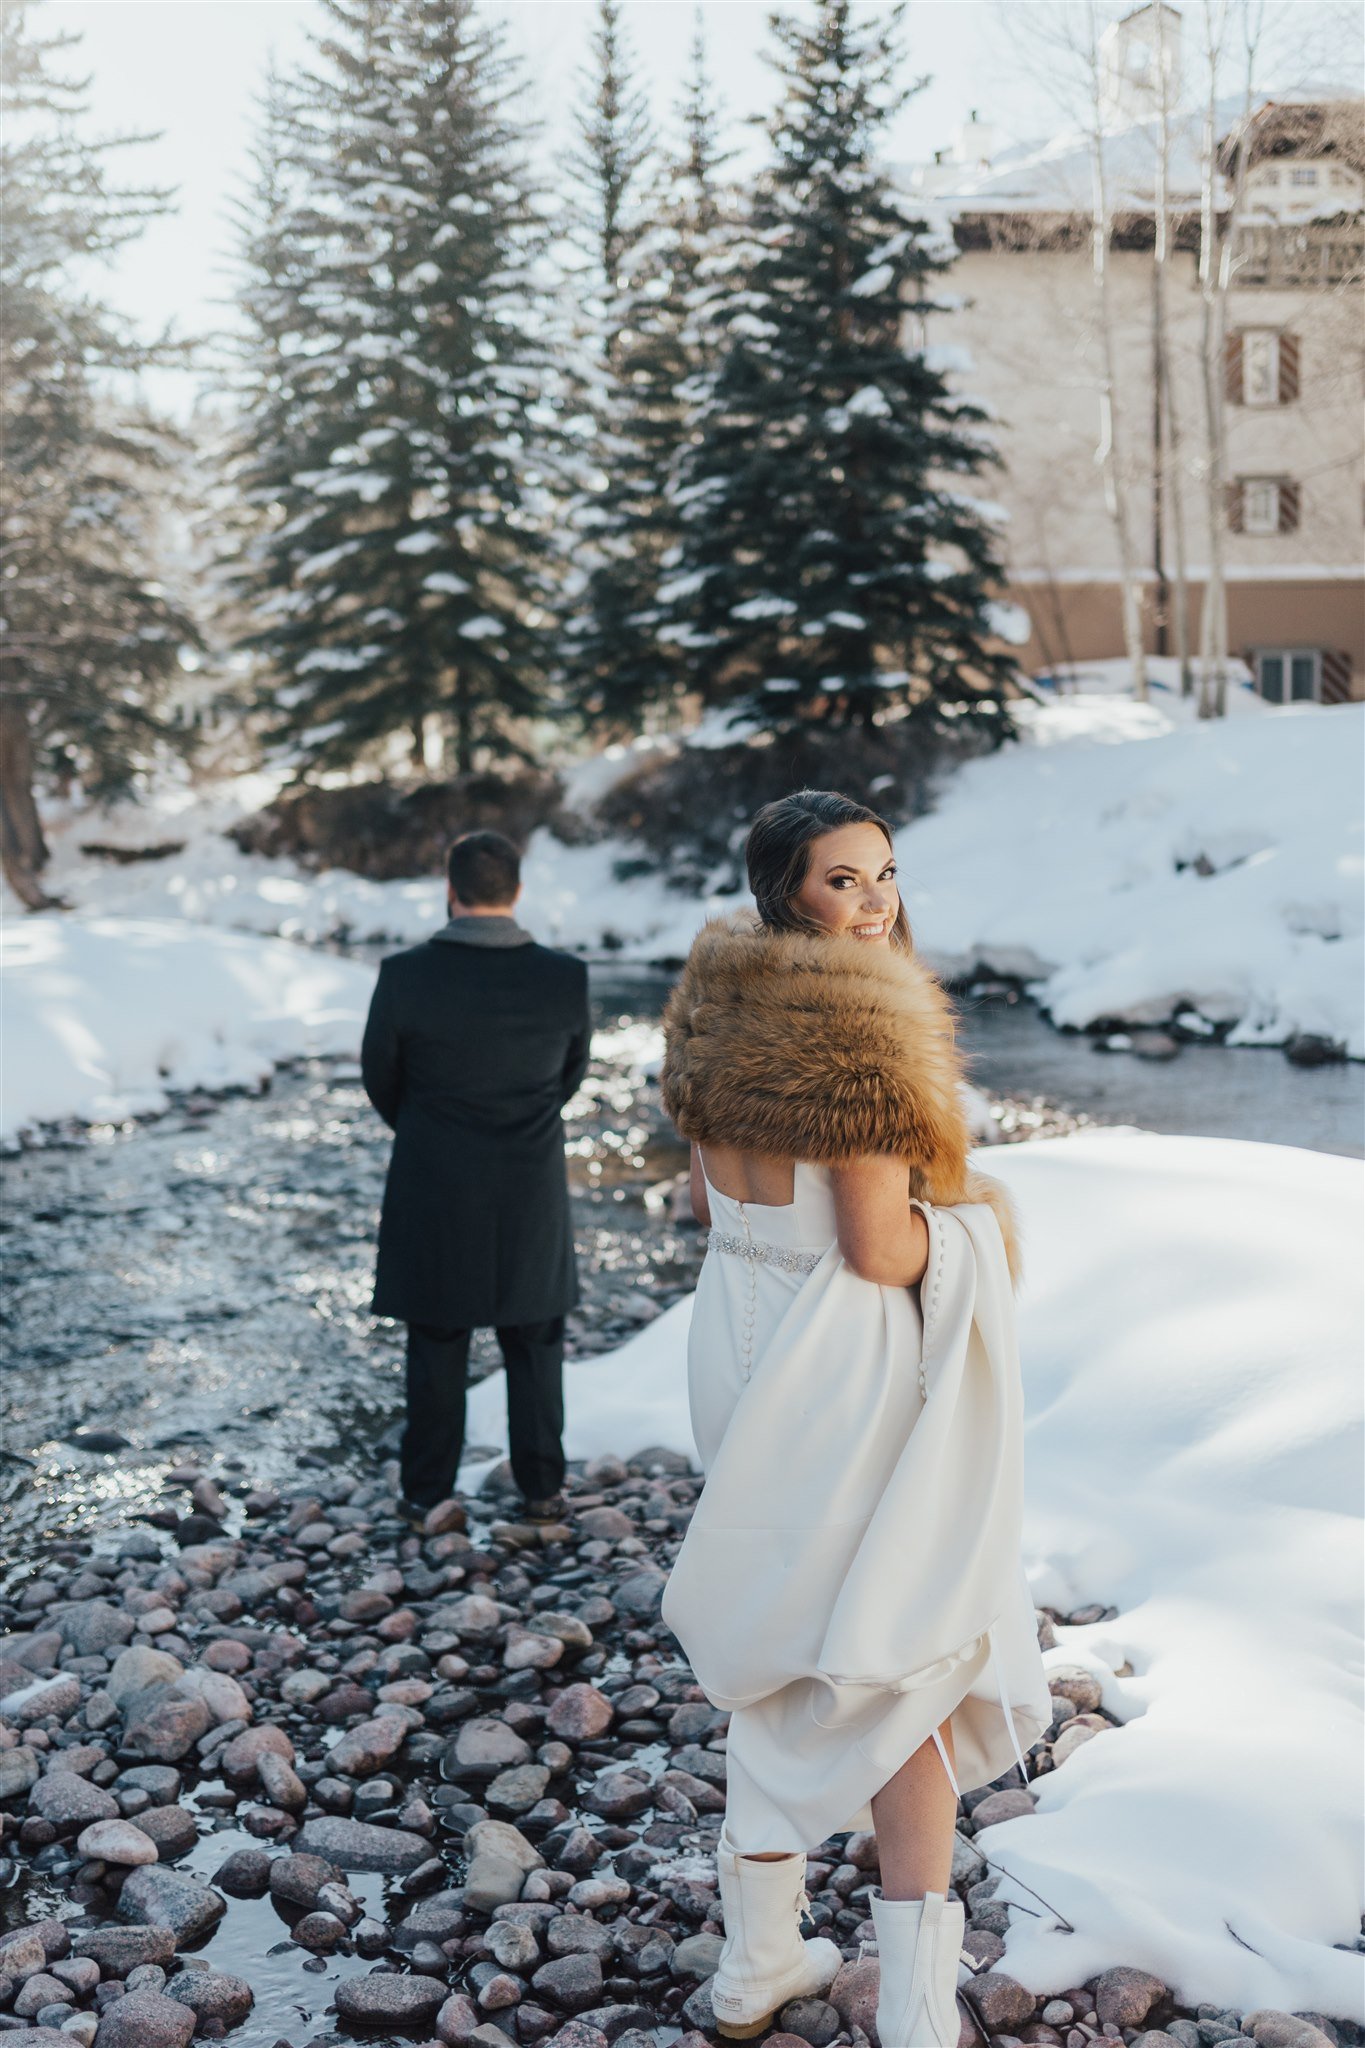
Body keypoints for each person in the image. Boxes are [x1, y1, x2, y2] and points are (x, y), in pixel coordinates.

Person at [659, 790, 1050, 2048]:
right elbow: (884, 1249)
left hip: (737, 1335)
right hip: (843, 1357)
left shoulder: (713, 1010)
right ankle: (922, 2010)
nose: (876, 900)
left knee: (777, 1639)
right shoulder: (863, 1034)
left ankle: (756, 1966)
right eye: (843, 880)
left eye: (883, 873)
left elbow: (712, 1200)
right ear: (789, 893)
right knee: (900, 1660)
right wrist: (984, 1227)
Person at [361, 828, 591, 1529]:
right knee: (535, 1341)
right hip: (529, 1183)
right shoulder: (564, 976)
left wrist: (434, 1129)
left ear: (449, 891)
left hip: (434, 1182)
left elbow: (381, 1080)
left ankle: (426, 1491)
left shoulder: (404, 974)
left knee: (436, 1341)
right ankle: (542, 1489)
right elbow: (569, 1078)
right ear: (516, 892)